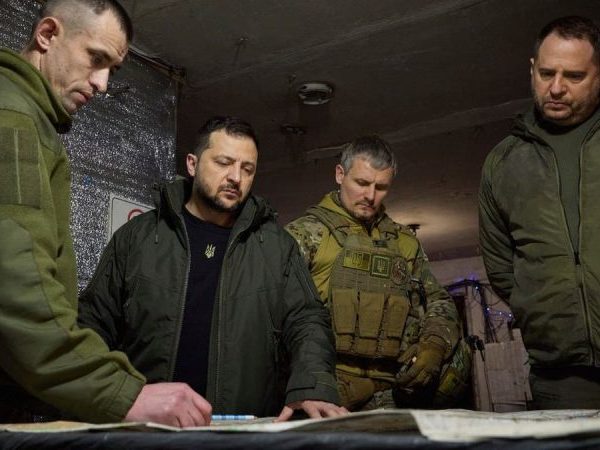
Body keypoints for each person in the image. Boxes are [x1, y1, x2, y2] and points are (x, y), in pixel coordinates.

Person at [0, 0, 214, 426]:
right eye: (95, 59)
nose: (101, 84)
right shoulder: (14, 117)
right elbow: (15, 285)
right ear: (47, 35)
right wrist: (119, 391)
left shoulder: (28, 119)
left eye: (112, 70)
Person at [79, 116, 346, 421]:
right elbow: (93, 321)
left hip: (240, 428)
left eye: (247, 169)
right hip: (149, 426)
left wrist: (312, 384)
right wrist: (107, 396)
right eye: (223, 163)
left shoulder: (277, 247)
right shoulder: (137, 237)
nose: (236, 177)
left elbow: (307, 320)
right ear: (192, 165)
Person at [286, 136, 466, 411]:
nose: (370, 196)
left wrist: (434, 344)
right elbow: (273, 315)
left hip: (393, 395)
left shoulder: (404, 242)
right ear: (340, 174)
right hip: (325, 393)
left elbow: (438, 300)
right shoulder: (304, 235)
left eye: (381, 187)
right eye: (361, 183)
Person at [479, 16, 600, 409]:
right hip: (560, 377)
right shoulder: (503, 163)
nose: (557, 87)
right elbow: (501, 266)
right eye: (547, 73)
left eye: (574, 76)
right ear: (532, 69)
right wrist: (537, 307)